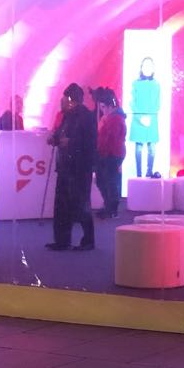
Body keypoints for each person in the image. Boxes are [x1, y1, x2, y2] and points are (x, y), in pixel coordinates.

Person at [46, 83, 97, 249]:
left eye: (63, 97)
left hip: (79, 169)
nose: (60, 101)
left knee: (81, 204)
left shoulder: (86, 117)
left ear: (69, 99)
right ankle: (62, 240)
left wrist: (70, 143)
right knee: (62, 205)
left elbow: (89, 142)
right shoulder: (68, 116)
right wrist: (55, 139)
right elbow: (61, 134)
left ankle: (88, 240)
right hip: (66, 167)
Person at [94, 87, 127, 218]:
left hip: (111, 153)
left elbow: (109, 138)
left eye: (103, 107)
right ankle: (110, 207)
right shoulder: (115, 118)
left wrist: (101, 151)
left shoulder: (114, 119)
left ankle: (111, 208)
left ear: (109, 106)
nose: (102, 110)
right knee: (107, 180)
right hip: (113, 153)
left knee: (107, 181)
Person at [129, 57, 160, 178]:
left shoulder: (156, 84)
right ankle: (138, 173)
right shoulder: (135, 83)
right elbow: (132, 101)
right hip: (138, 118)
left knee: (152, 146)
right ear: (141, 68)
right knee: (139, 147)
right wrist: (140, 116)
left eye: (150, 66)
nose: (147, 68)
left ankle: (149, 171)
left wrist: (150, 116)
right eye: (145, 66)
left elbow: (158, 102)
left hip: (152, 118)